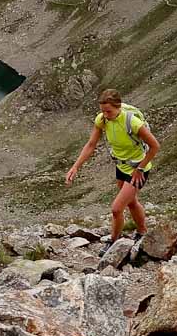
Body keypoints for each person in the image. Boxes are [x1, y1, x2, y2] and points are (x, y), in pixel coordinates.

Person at [66, 89, 160, 256]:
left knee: (116, 209)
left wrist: (139, 168)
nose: (105, 115)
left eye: (108, 111)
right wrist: (75, 166)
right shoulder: (102, 120)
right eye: (102, 111)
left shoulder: (132, 122)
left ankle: (113, 241)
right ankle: (142, 232)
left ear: (118, 107)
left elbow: (155, 146)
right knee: (130, 202)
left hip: (138, 169)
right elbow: (91, 145)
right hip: (121, 166)